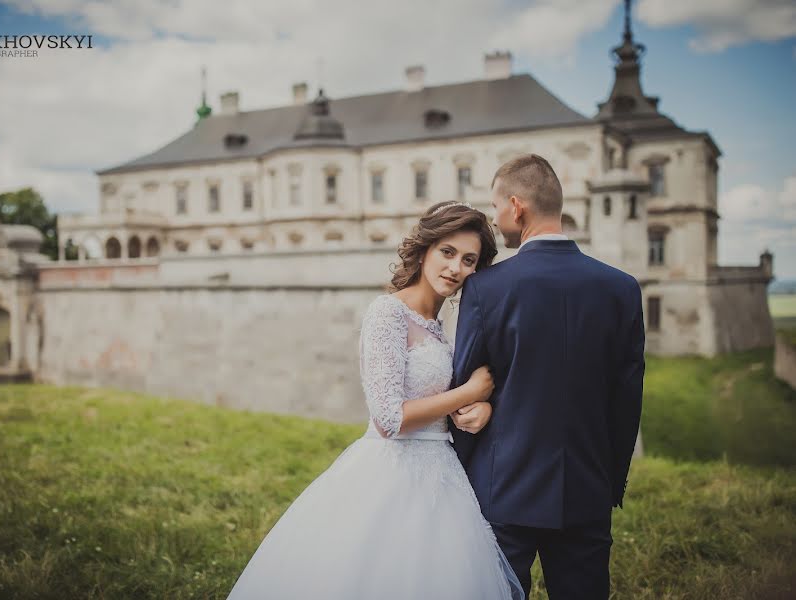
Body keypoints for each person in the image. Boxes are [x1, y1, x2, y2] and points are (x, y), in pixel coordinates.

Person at [227, 201, 523, 600]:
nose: (456, 268)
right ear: (424, 251)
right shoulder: (388, 313)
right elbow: (388, 418)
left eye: (469, 260)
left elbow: (436, 397)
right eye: (447, 253)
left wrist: (479, 408)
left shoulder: (439, 327)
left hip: (443, 476)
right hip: (392, 473)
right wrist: (469, 392)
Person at [448, 154, 645, 599]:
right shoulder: (622, 288)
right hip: (588, 488)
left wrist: (463, 474)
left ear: (516, 206)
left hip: (502, 488)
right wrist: (610, 481)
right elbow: (627, 396)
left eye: (496, 208)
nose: (495, 221)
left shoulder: (486, 287)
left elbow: (465, 386)